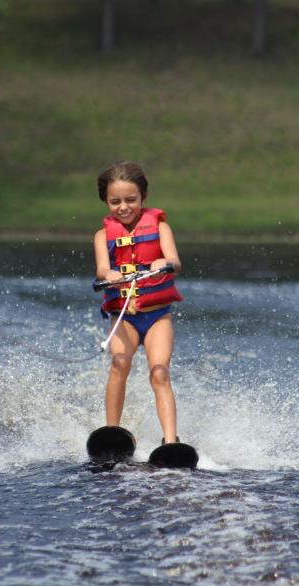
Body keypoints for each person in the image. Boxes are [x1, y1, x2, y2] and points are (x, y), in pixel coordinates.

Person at [94, 161, 183, 445]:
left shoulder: (160, 228)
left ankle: (170, 441)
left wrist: (164, 261)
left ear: (143, 198)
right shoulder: (101, 236)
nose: (123, 207)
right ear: (106, 201)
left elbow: (175, 262)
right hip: (125, 317)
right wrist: (110, 274)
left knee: (159, 372)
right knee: (119, 363)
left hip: (157, 316)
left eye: (131, 200)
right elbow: (102, 270)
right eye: (115, 201)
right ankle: (112, 434)